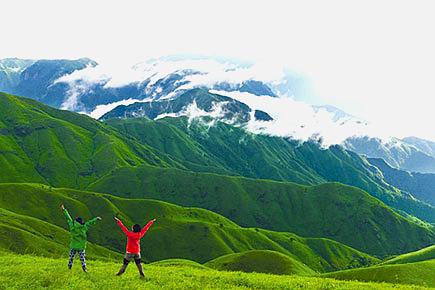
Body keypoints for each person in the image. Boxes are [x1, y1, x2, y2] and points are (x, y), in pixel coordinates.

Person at [61, 204, 101, 273]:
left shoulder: (72, 226)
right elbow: (90, 223)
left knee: (71, 258)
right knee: (82, 259)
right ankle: (84, 269)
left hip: (73, 245)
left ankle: (69, 268)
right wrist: (96, 219)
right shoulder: (84, 227)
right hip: (81, 246)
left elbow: (68, 218)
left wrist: (64, 210)